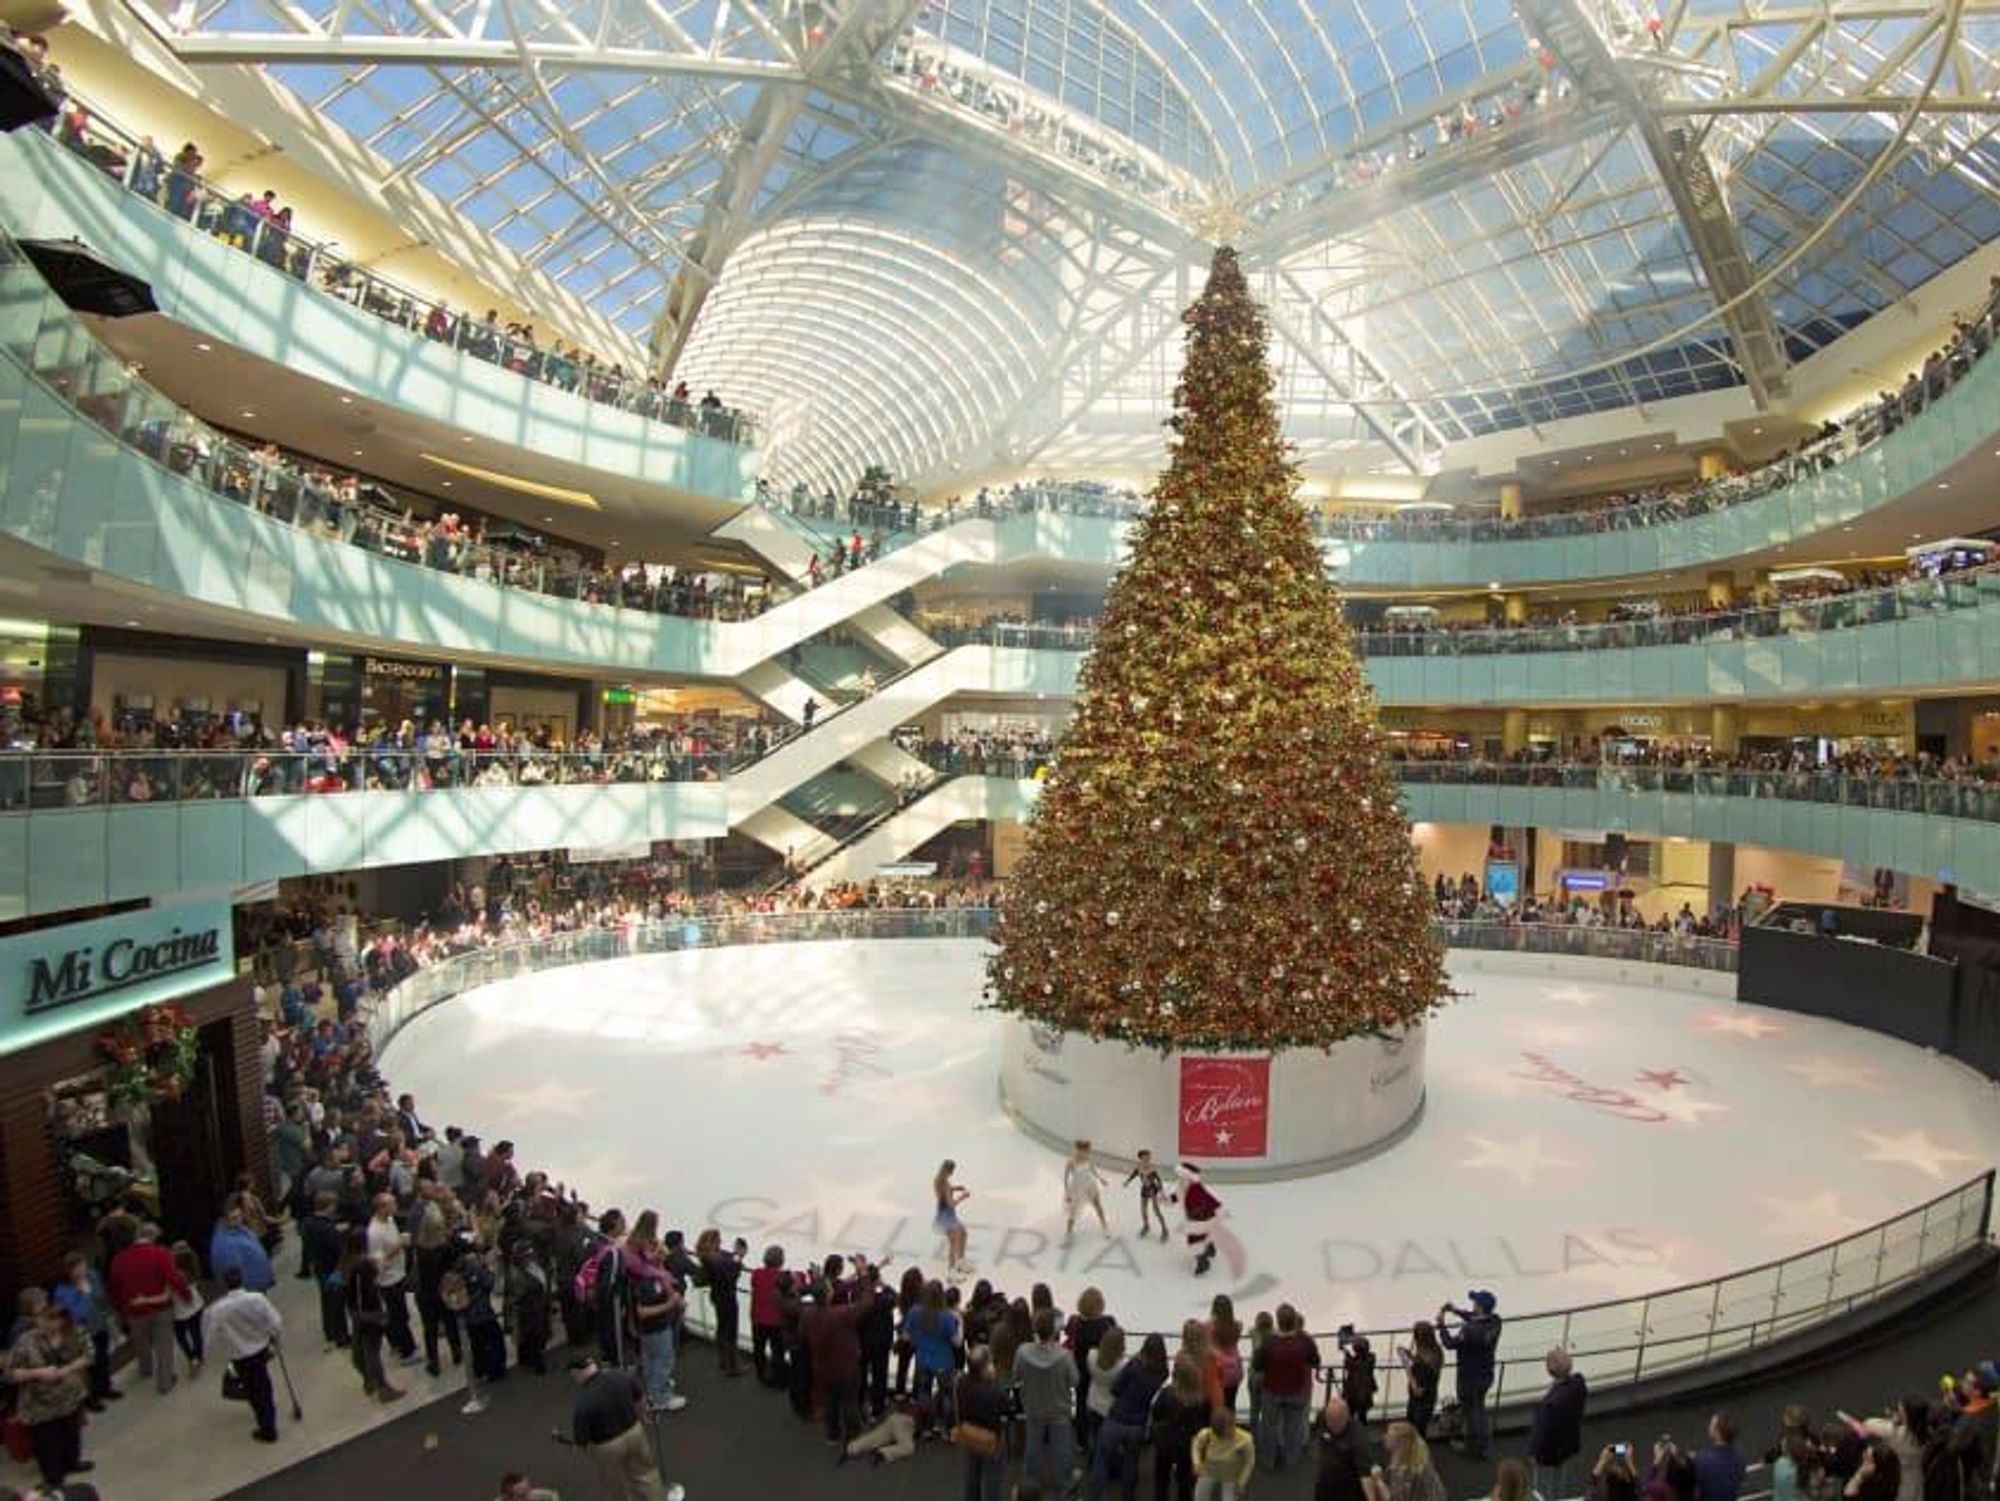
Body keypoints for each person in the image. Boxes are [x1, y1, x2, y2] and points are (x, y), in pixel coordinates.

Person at [6, 1301, 93, 1488]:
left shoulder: (74, 1332)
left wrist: (66, 1369)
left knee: (71, 1435)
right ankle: (54, 1478)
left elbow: (88, 1355)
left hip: (69, 1397)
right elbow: (10, 1373)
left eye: (50, 1320)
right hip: (40, 1405)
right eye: (41, 1320)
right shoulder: (25, 1341)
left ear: (61, 1320)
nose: (44, 1325)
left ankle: (72, 1462)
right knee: (48, 1444)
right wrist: (37, 1373)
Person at [567, 1352, 667, 1501]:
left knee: (615, 1486)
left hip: (608, 1446)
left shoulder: (583, 1401)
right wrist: (644, 1416)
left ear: (575, 1373)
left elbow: (582, 1441)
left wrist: (582, 1448)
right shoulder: (620, 1375)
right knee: (647, 1475)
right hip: (635, 1432)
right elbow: (639, 1398)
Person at [106, 1221, 191, 1394]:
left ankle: (146, 1369)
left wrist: (120, 1308)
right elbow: (173, 1278)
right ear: (154, 1237)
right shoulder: (161, 1253)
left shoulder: (119, 1259)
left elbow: (114, 1286)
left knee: (141, 1343)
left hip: (134, 1311)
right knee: (164, 1345)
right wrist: (186, 1295)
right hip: (160, 1308)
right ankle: (165, 1382)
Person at [202, 1266, 284, 1444]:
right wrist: (275, 1336)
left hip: (240, 1355)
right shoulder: (257, 1299)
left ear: (225, 1284)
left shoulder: (218, 1310)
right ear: (242, 1280)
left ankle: (267, 1427)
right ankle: (268, 1416)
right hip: (260, 1349)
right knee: (263, 1385)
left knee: (252, 1389)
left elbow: (209, 1338)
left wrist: (215, 1354)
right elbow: (275, 1322)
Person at [1091, 1332, 1167, 1500]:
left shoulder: (1134, 1365)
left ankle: (1097, 1496)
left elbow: (1116, 1389)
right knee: (1131, 1462)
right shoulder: (1163, 1372)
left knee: (1102, 1459)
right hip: (1138, 1424)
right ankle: (1128, 1496)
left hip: (1117, 1418)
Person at [1015, 1307, 1078, 1493]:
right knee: (1061, 1447)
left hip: (1033, 1406)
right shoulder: (1065, 1356)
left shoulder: (1022, 1352)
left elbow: (1016, 1376)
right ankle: (1064, 1482)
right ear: (1054, 1331)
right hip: (1059, 1409)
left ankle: (1029, 1479)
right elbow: (1075, 1381)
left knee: (1033, 1444)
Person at [1255, 1304, 1321, 1472]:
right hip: (1297, 1392)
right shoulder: (1305, 1340)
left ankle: (1268, 1458)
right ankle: (1292, 1457)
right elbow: (1315, 1361)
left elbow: (1257, 1365)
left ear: (1278, 1321)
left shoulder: (1269, 1342)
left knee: (1269, 1425)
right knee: (1294, 1426)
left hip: (1272, 1392)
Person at [1438, 1290, 1502, 1460]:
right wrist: (1456, 1310)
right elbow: (1474, 1317)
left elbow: (1449, 1343)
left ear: (1480, 1307)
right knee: (1479, 1410)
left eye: (1475, 1303)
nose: (1472, 1305)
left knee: (1472, 1415)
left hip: (1468, 1379)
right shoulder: (1495, 1321)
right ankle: (1484, 1446)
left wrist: (1441, 1324)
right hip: (1486, 1374)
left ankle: (1473, 1449)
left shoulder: (1469, 1330)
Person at [1529, 1346, 1588, 1501]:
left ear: (1550, 1371)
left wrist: (1534, 1453)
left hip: (1548, 1454)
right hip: (1567, 1446)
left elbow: (1541, 1433)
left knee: (1543, 1489)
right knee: (1561, 1483)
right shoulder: (1578, 1385)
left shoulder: (1550, 1404)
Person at [366, 1192, 419, 1364]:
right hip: (388, 1279)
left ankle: (396, 1342)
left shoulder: (389, 1220)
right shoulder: (373, 1233)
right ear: (381, 1208)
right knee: (399, 1315)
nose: (396, 1205)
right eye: (392, 1203)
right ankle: (407, 1351)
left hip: (398, 1273)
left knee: (397, 1313)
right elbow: (377, 1261)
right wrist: (398, 1246)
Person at [956, 1347, 1011, 1501]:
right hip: (991, 1439)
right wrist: (994, 1381)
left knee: (972, 1474)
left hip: (969, 1434)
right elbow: (1007, 1406)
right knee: (993, 1480)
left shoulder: (961, 1382)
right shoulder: (994, 1390)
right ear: (985, 1368)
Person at [1154, 1356, 1211, 1501]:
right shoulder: (1202, 1400)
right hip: (1188, 1445)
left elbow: (1156, 1412)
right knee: (1184, 1481)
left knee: (1162, 1477)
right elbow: (1205, 1424)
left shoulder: (1167, 1393)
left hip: (1166, 1441)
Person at [1315, 1394, 1378, 1501]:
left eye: (1337, 1422)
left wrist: (1371, 1499)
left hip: (1349, 1486)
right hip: (1326, 1480)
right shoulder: (1322, 1418)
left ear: (1347, 1417)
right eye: (1330, 1422)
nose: (1333, 1426)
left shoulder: (1358, 1438)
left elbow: (1365, 1475)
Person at [210, 1195, 276, 1293]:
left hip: (257, 1284)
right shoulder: (225, 1243)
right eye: (234, 1218)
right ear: (224, 1219)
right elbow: (232, 1274)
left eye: (240, 1216)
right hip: (250, 1291)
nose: (239, 1220)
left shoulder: (238, 1228)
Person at [1193, 1407, 1256, 1500]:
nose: (1224, 1437)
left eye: (1230, 1427)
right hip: (1208, 1471)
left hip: (1230, 1475)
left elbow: (1249, 1462)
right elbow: (1196, 1446)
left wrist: (1241, 1482)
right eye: (1220, 1435)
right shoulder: (1207, 1434)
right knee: (1200, 1498)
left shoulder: (1245, 1439)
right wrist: (1197, 1463)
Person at [1382, 1421, 1448, 1501]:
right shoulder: (1413, 1459)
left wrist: (1378, 1480)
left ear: (1401, 1441)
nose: (1384, 1437)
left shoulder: (1406, 1469)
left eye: (1389, 1436)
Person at [1178, 1162, 1224, 1275]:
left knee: (1194, 1241)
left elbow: (1208, 1198)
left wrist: (1217, 1207)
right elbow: (1178, 1195)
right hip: (1195, 1217)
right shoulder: (1184, 1185)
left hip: (1200, 1217)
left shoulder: (1196, 1187)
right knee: (1199, 1237)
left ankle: (1202, 1262)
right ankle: (1209, 1248)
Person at [1400, 1322, 1444, 1436]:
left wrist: (1405, 1363)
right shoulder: (1436, 1350)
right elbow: (1421, 1362)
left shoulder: (1426, 1361)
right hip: (1429, 1396)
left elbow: (1418, 1390)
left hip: (1420, 1402)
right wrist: (1409, 1355)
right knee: (1419, 1429)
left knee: (1416, 1431)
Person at [1064, 1140, 1109, 1243]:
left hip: (1090, 1185)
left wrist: (1101, 1179)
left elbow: (1093, 1170)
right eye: (1081, 1150)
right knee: (1073, 1212)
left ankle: (1105, 1227)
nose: (1084, 1153)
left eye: (1086, 1151)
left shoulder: (1088, 1159)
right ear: (1077, 1149)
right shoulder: (1071, 1161)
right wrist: (1067, 1193)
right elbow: (1066, 1178)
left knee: (1098, 1206)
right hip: (1076, 1187)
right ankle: (1068, 1234)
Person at [1695, 1414, 1747, 1501]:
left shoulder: (1703, 1459)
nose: (1709, 1427)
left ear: (1718, 1433)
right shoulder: (1739, 1454)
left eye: (1711, 1425)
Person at [934, 1160, 972, 1277]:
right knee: (954, 1244)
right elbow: (951, 1204)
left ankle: (960, 1262)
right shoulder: (945, 1184)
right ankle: (951, 1272)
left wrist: (955, 1188)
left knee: (964, 1233)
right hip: (947, 1216)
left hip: (945, 1214)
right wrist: (963, 1197)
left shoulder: (939, 1181)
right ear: (949, 1170)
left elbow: (945, 1192)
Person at [1124, 1149, 1169, 1240]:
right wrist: (1127, 1182)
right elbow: (1133, 1175)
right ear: (1141, 1158)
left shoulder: (1152, 1168)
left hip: (1152, 1190)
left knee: (1156, 1211)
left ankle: (1165, 1230)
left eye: (1148, 1157)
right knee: (1143, 1210)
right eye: (1145, 1157)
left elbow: (1158, 1180)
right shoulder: (1138, 1167)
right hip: (1144, 1189)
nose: (1148, 1159)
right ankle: (1146, 1226)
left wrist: (1161, 1192)